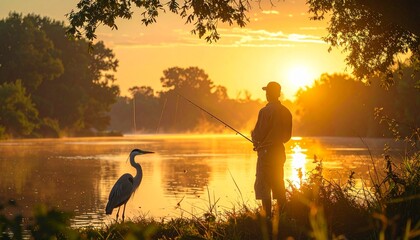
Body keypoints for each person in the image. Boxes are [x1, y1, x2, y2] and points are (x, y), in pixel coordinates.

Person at [252, 81, 292, 218]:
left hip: (266, 153)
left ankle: (268, 218)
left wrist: (256, 142)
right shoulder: (286, 112)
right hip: (279, 152)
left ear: (270, 94)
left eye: (267, 92)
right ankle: (284, 216)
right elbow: (287, 136)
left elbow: (258, 134)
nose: (266, 95)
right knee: (278, 184)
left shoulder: (264, 111)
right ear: (279, 94)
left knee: (264, 186)